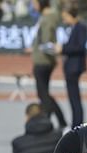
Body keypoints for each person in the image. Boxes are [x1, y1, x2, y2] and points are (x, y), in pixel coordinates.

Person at [28, 0, 67, 129]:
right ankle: (52, 120)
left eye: (34, 3)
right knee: (44, 94)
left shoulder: (47, 18)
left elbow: (46, 41)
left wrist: (42, 49)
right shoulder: (47, 17)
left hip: (43, 60)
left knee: (43, 94)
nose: (33, 6)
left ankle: (56, 121)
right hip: (43, 59)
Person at [57, 3, 87, 128]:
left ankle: (77, 125)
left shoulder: (80, 28)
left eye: (65, 16)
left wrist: (62, 48)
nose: (64, 19)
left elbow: (80, 47)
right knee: (73, 98)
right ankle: (76, 123)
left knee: (74, 98)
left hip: (74, 67)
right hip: (72, 66)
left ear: (71, 15)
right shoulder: (74, 27)